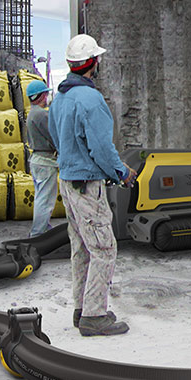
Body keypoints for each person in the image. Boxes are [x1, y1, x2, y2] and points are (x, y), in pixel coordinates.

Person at [48, 33, 136, 337]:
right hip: (87, 185)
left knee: (82, 248)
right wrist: (122, 173)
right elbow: (101, 147)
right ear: (93, 63)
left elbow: (57, 139)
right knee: (104, 249)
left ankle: (82, 308)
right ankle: (95, 316)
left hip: (67, 182)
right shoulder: (91, 99)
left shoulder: (60, 98)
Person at [25, 79, 57, 238]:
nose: (47, 98)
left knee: (40, 197)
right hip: (45, 161)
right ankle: (38, 234)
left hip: (37, 160)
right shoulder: (41, 114)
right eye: (46, 95)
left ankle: (44, 228)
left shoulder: (32, 114)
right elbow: (54, 137)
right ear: (41, 96)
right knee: (45, 201)